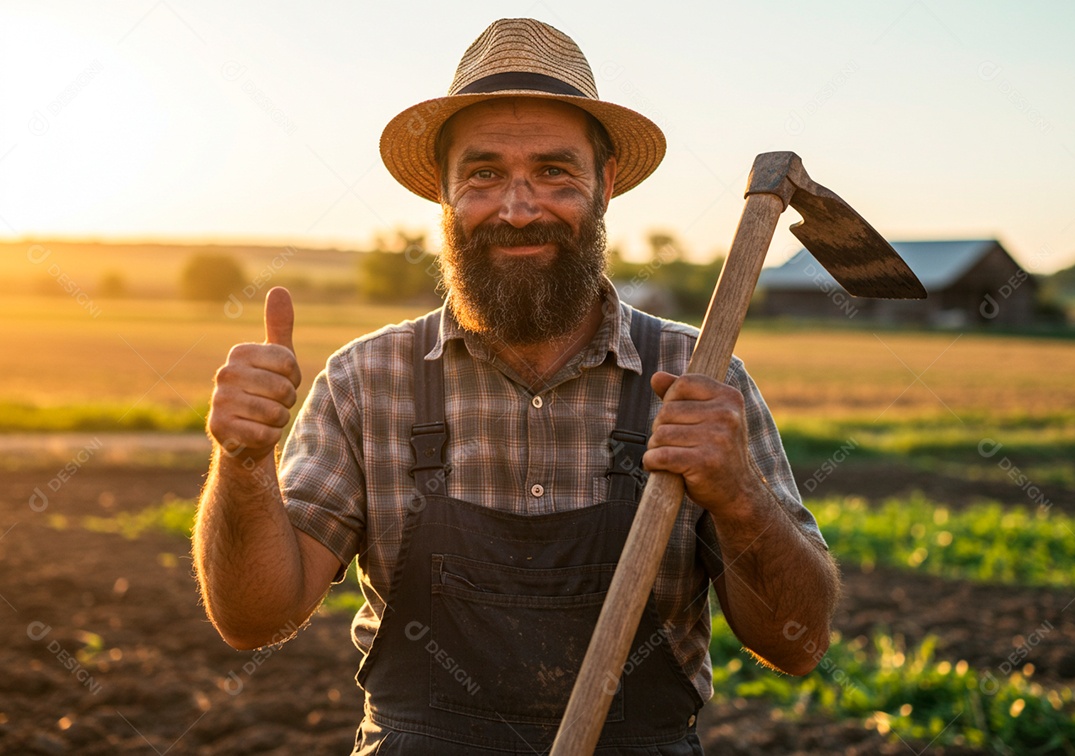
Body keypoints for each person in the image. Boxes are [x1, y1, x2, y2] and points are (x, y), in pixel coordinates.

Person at [193, 17, 840, 755]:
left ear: (607, 183)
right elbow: (252, 619)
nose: (518, 208)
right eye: (484, 174)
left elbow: (799, 644)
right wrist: (243, 463)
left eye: (555, 172)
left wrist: (739, 494)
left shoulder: (700, 385)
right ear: (442, 191)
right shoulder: (365, 382)